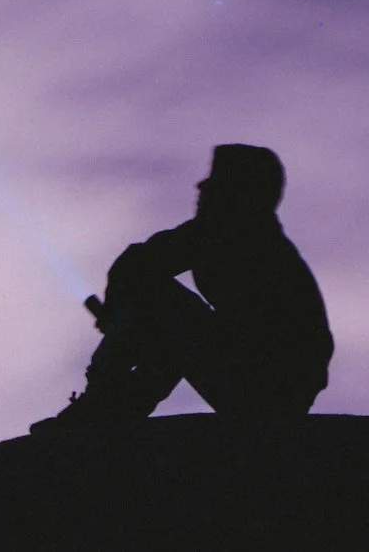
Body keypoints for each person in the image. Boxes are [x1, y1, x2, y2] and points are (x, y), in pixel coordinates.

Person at [31, 143, 332, 432]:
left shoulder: (237, 235)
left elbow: (138, 266)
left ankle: (104, 403)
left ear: (239, 193)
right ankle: (112, 406)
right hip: (260, 379)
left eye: (216, 182)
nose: (200, 188)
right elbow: (139, 264)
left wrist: (117, 320)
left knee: (157, 301)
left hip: (268, 386)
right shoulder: (234, 234)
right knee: (163, 322)